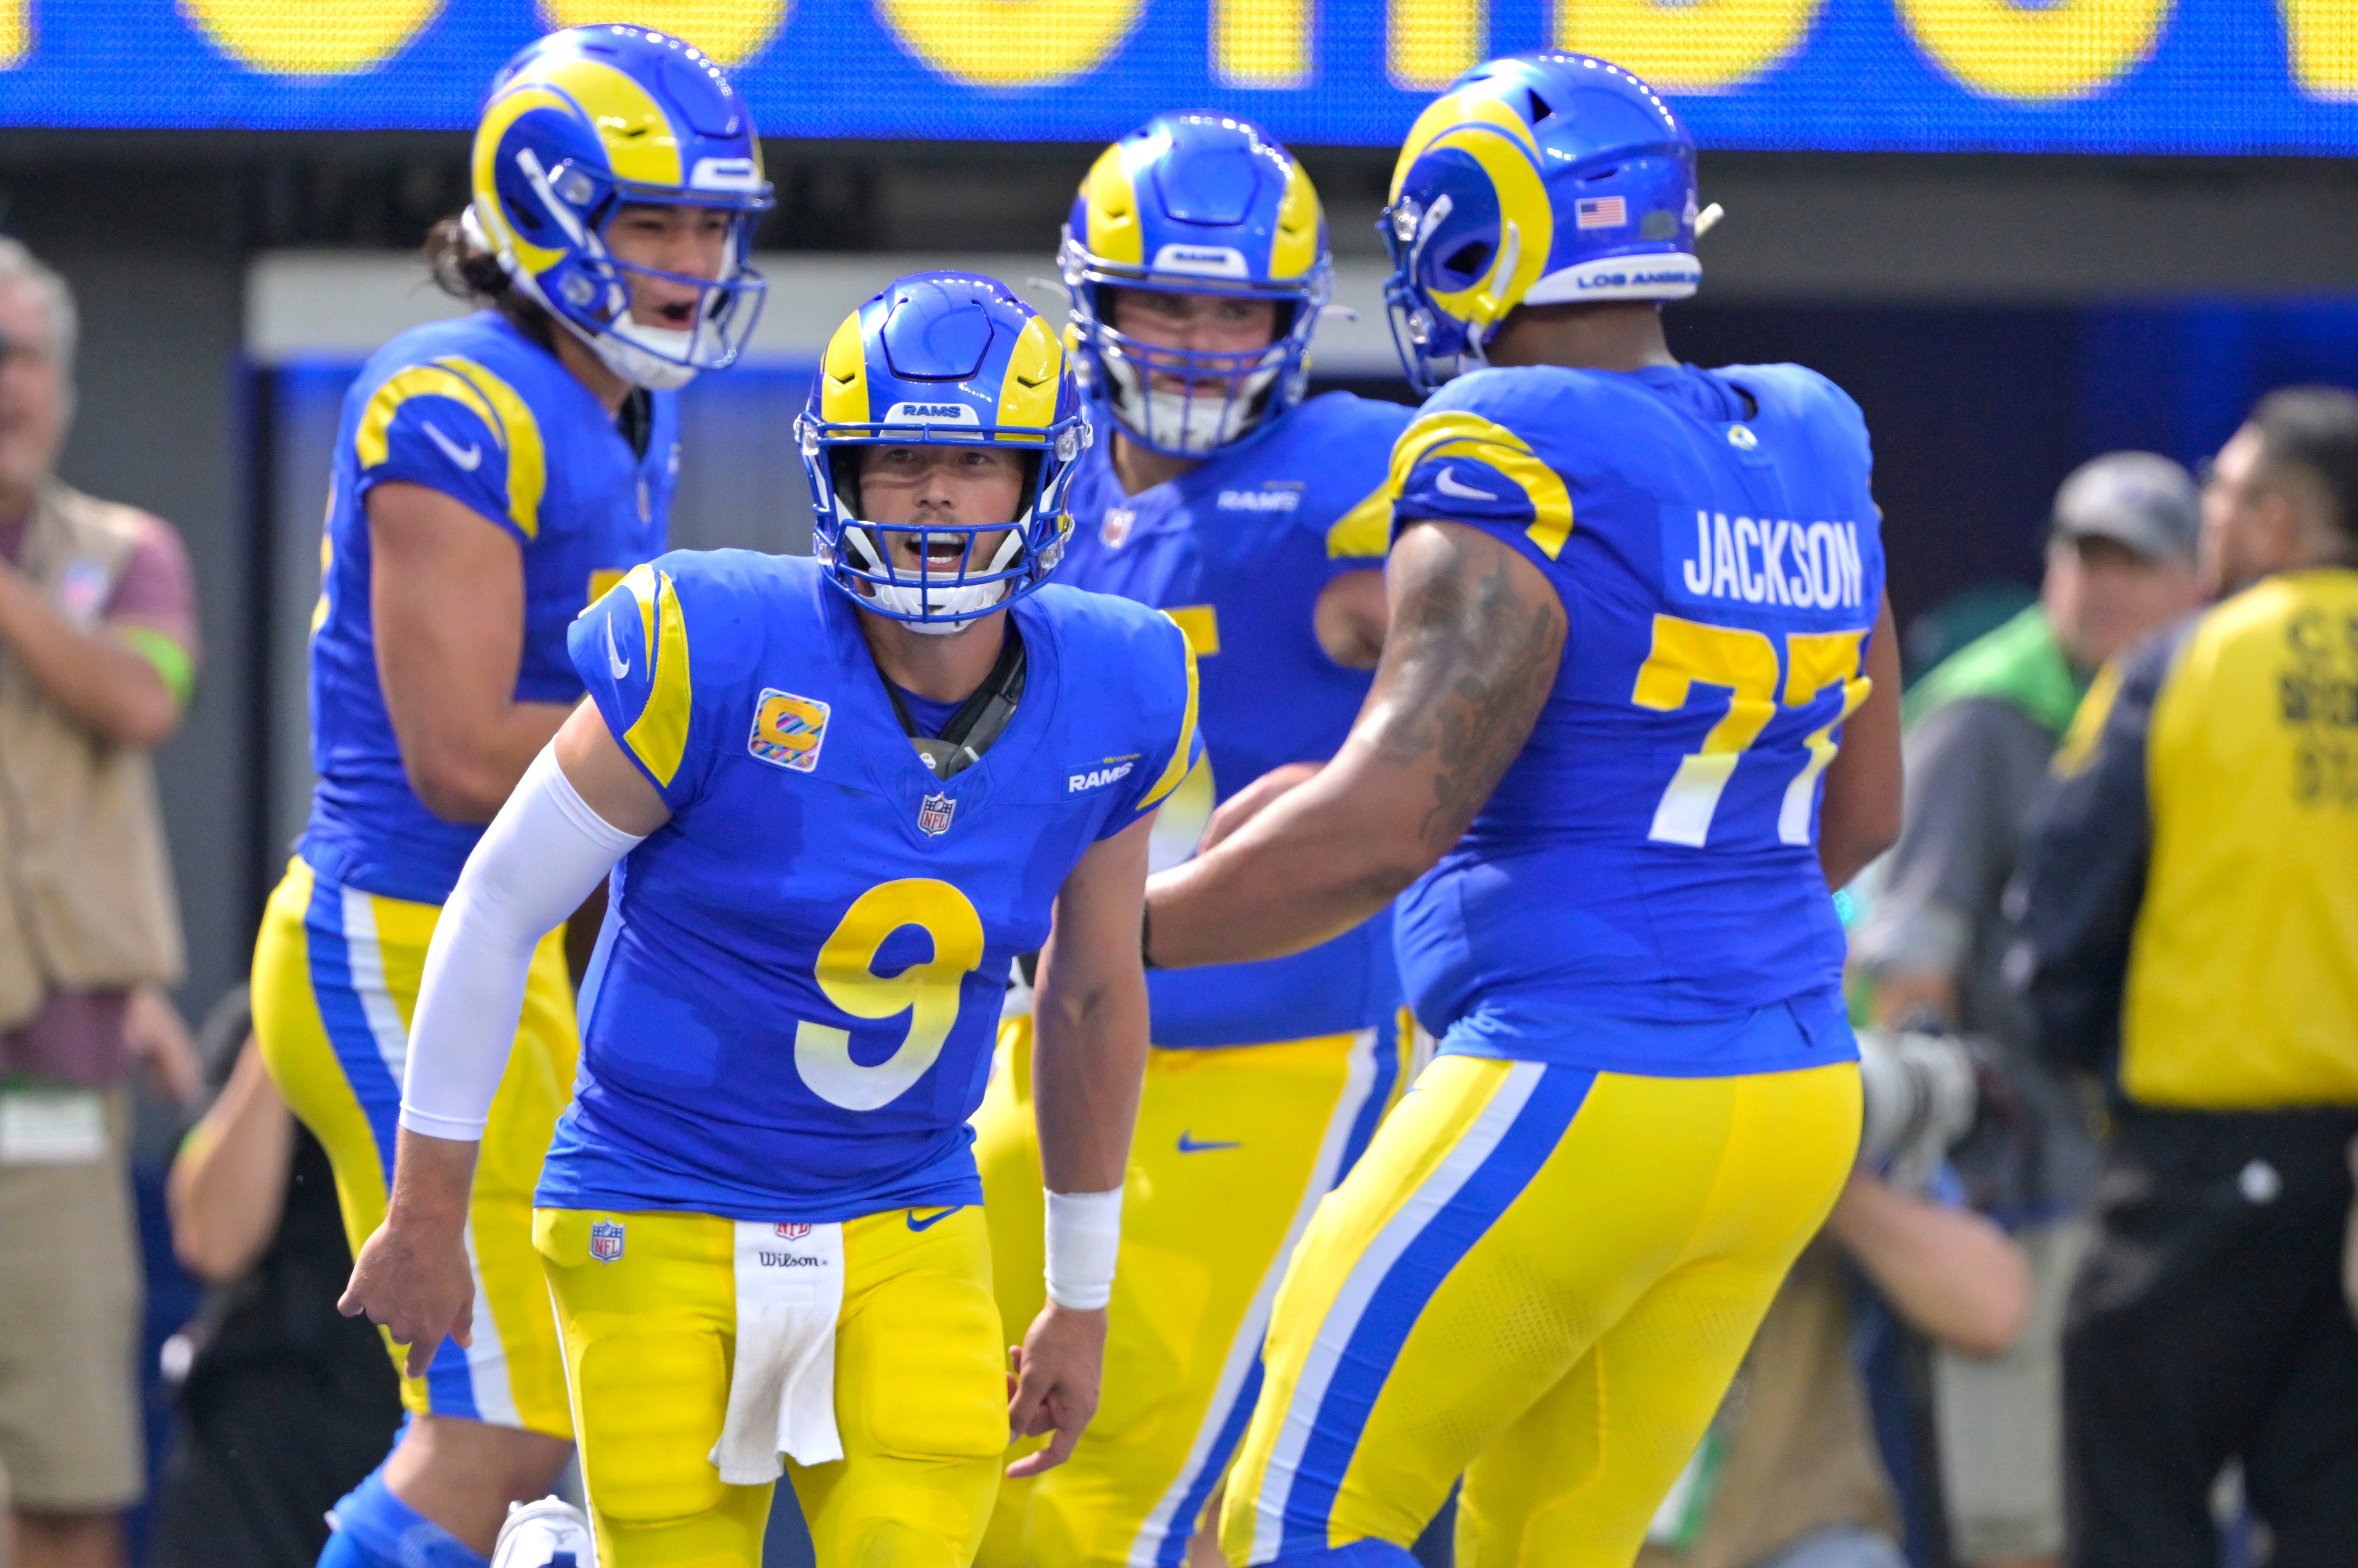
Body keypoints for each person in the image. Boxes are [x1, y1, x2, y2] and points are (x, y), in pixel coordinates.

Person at [1140, 51, 1906, 1564]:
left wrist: (1113, 926)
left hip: (1570, 1077)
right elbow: (1857, 807)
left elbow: (1389, 826)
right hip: (1796, 1092)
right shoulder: (1812, 431)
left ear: (1478, 231)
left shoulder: (1507, 434)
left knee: (1296, 1517)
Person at [339, 271, 1201, 1568]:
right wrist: (424, 1216)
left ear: (1042, 477)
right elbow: (500, 902)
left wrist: (1078, 1298)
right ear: (839, 475)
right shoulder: (717, 642)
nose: (934, 498)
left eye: (975, 460)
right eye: (898, 458)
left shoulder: (1121, 682)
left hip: (903, 1211)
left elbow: (1088, 992)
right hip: (655, 1196)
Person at [245, 25, 773, 1568]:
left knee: (560, 1410)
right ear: (545, 210)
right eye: (651, 219)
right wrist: (714, 743)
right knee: (501, 1419)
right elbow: (464, 753)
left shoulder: (595, 400)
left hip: (491, 945)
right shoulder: (453, 397)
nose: (691, 257)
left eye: (711, 222)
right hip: (396, 934)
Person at [972, 111, 1415, 1568]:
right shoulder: (1045, 487)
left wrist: (1374, 766)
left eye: (1237, 309)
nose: (1199, 341)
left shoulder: (1355, 478)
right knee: (980, 1472)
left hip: (1273, 1049)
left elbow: (1498, 684)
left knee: (1117, 1504)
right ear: (1093, 304)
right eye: (1165, 299)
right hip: (1052, 1041)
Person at [2011, 386, 2358, 1568]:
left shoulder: (2183, 668)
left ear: (2267, 519)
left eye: (2218, 490)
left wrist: (2084, 1068)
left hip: (2195, 1178)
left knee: (2134, 1502)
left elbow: (2060, 921)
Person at [1856, 452, 2203, 1568]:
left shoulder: (2196, 707)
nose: (2097, 586)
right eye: (2078, 556)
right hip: (2020, 1178)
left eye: (2132, 564)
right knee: (2018, 1522)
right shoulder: (1987, 714)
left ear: (2195, 581)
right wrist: (1949, 1179)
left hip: (2147, 1174)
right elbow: (1911, 954)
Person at [0, 234, 205, 1568]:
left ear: (62, 385)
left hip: (50, 1094)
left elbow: (140, 699)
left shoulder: (129, 553)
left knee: (73, 1473)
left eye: (16, 354)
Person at [153, 986, 404, 1568]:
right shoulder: (267, 1009)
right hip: (263, 1423)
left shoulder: (502, 1003)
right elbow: (211, 1240)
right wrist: (292, 1008)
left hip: (419, 1418)